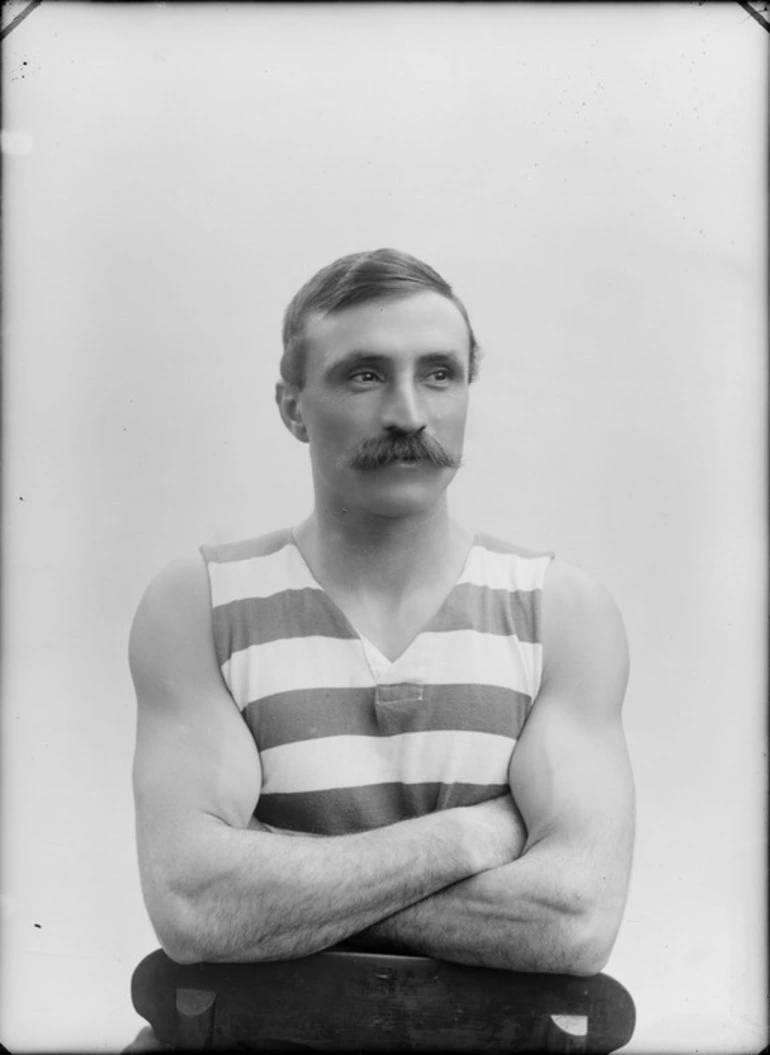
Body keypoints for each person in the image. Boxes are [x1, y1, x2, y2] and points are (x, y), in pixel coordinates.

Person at [129, 248, 635, 984]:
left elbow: (574, 921)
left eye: (440, 373)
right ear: (292, 406)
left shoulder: (560, 609)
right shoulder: (200, 601)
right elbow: (196, 903)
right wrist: (469, 837)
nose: (407, 413)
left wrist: (280, 890)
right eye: (364, 375)